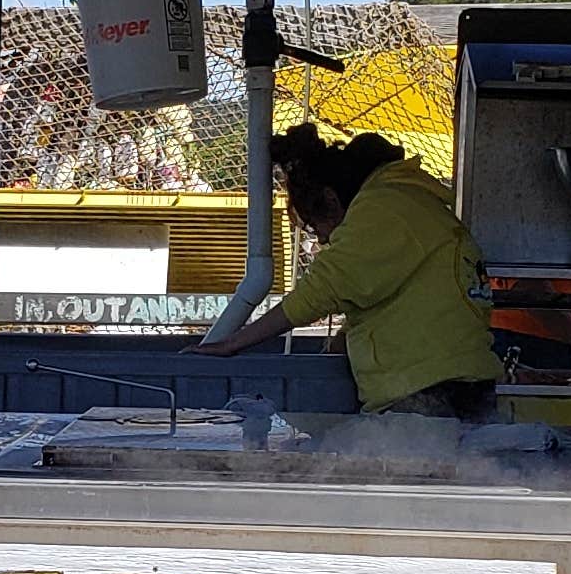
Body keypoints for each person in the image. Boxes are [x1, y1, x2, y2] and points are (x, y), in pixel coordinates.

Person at [193, 124, 506, 420]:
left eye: (316, 227)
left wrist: (231, 344)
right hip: (461, 382)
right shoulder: (409, 203)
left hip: (427, 391)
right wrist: (348, 337)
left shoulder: (382, 208)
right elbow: (400, 292)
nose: (325, 239)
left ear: (331, 199)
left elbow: (323, 289)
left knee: (414, 474)